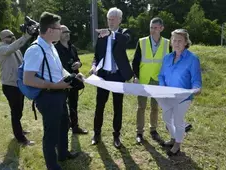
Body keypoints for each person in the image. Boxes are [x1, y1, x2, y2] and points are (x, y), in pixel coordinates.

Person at [23, 12, 81, 170]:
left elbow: (58, 69)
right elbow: (28, 79)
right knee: (51, 133)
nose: (61, 31)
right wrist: (56, 86)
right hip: (48, 97)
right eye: (58, 28)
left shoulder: (50, 46)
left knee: (64, 124)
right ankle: (52, 166)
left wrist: (72, 76)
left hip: (59, 95)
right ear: (49, 30)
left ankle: (63, 153)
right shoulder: (35, 49)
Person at [89, 7, 133, 149]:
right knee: (99, 106)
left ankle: (116, 135)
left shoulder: (124, 33)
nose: (111, 21)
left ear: (120, 20)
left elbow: (125, 40)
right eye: (109, 19)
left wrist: (111, 33)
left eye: (113, 19)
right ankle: (96, 134)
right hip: (104, 76)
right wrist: (94, 66)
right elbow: (96, 55)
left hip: (118, 76)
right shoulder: (102, 36)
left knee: (117, 107)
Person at [158, 29, 202, 156]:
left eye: (179, 40)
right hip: (167, 94)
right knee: (166, 117)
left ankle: (177, 144)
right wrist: (162, 87)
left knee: (178, 120)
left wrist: (197, 88)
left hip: (183, 96)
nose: (176, 43)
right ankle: (173, 138)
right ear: (171, 42)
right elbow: (161, 75)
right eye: (174, 40)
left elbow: (196, 79)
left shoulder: (192, 59)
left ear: (186, 42)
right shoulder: (167, 58)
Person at [132, 17, 170, 144]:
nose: (153, 30)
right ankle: (139, 132)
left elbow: (169, 63)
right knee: (141, 107)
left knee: (155, 107)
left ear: (161, 28)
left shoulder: (167, 43)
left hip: (158, 80)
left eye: (155, 28)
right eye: (151, 28)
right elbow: (135, 61)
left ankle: (153, 130)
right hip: (143, 79)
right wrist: (135, 76)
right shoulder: (142, 42)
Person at [0, 29, 34, 146]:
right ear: (2, 39)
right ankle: (20, 138)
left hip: (19, 83)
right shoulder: (2, 48)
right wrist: (26, 36)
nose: (12, 37)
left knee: (19, 110)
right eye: (9, 36)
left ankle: (19, 130)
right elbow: (11, 48)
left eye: (13, 35)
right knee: (15, 111)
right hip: (10, 85)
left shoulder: (15, 49)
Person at [55, 25, 88, 134]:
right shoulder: (54, 49)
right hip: (62, 82)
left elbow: (77, 60)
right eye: (64, 32)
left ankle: (75, 127)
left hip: (74, 81)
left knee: (74, 105)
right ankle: (63, 128)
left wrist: (79, 64)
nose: (67, 34)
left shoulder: (72, 47)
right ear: (59, 34)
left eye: (68, 32)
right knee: (61, 107)